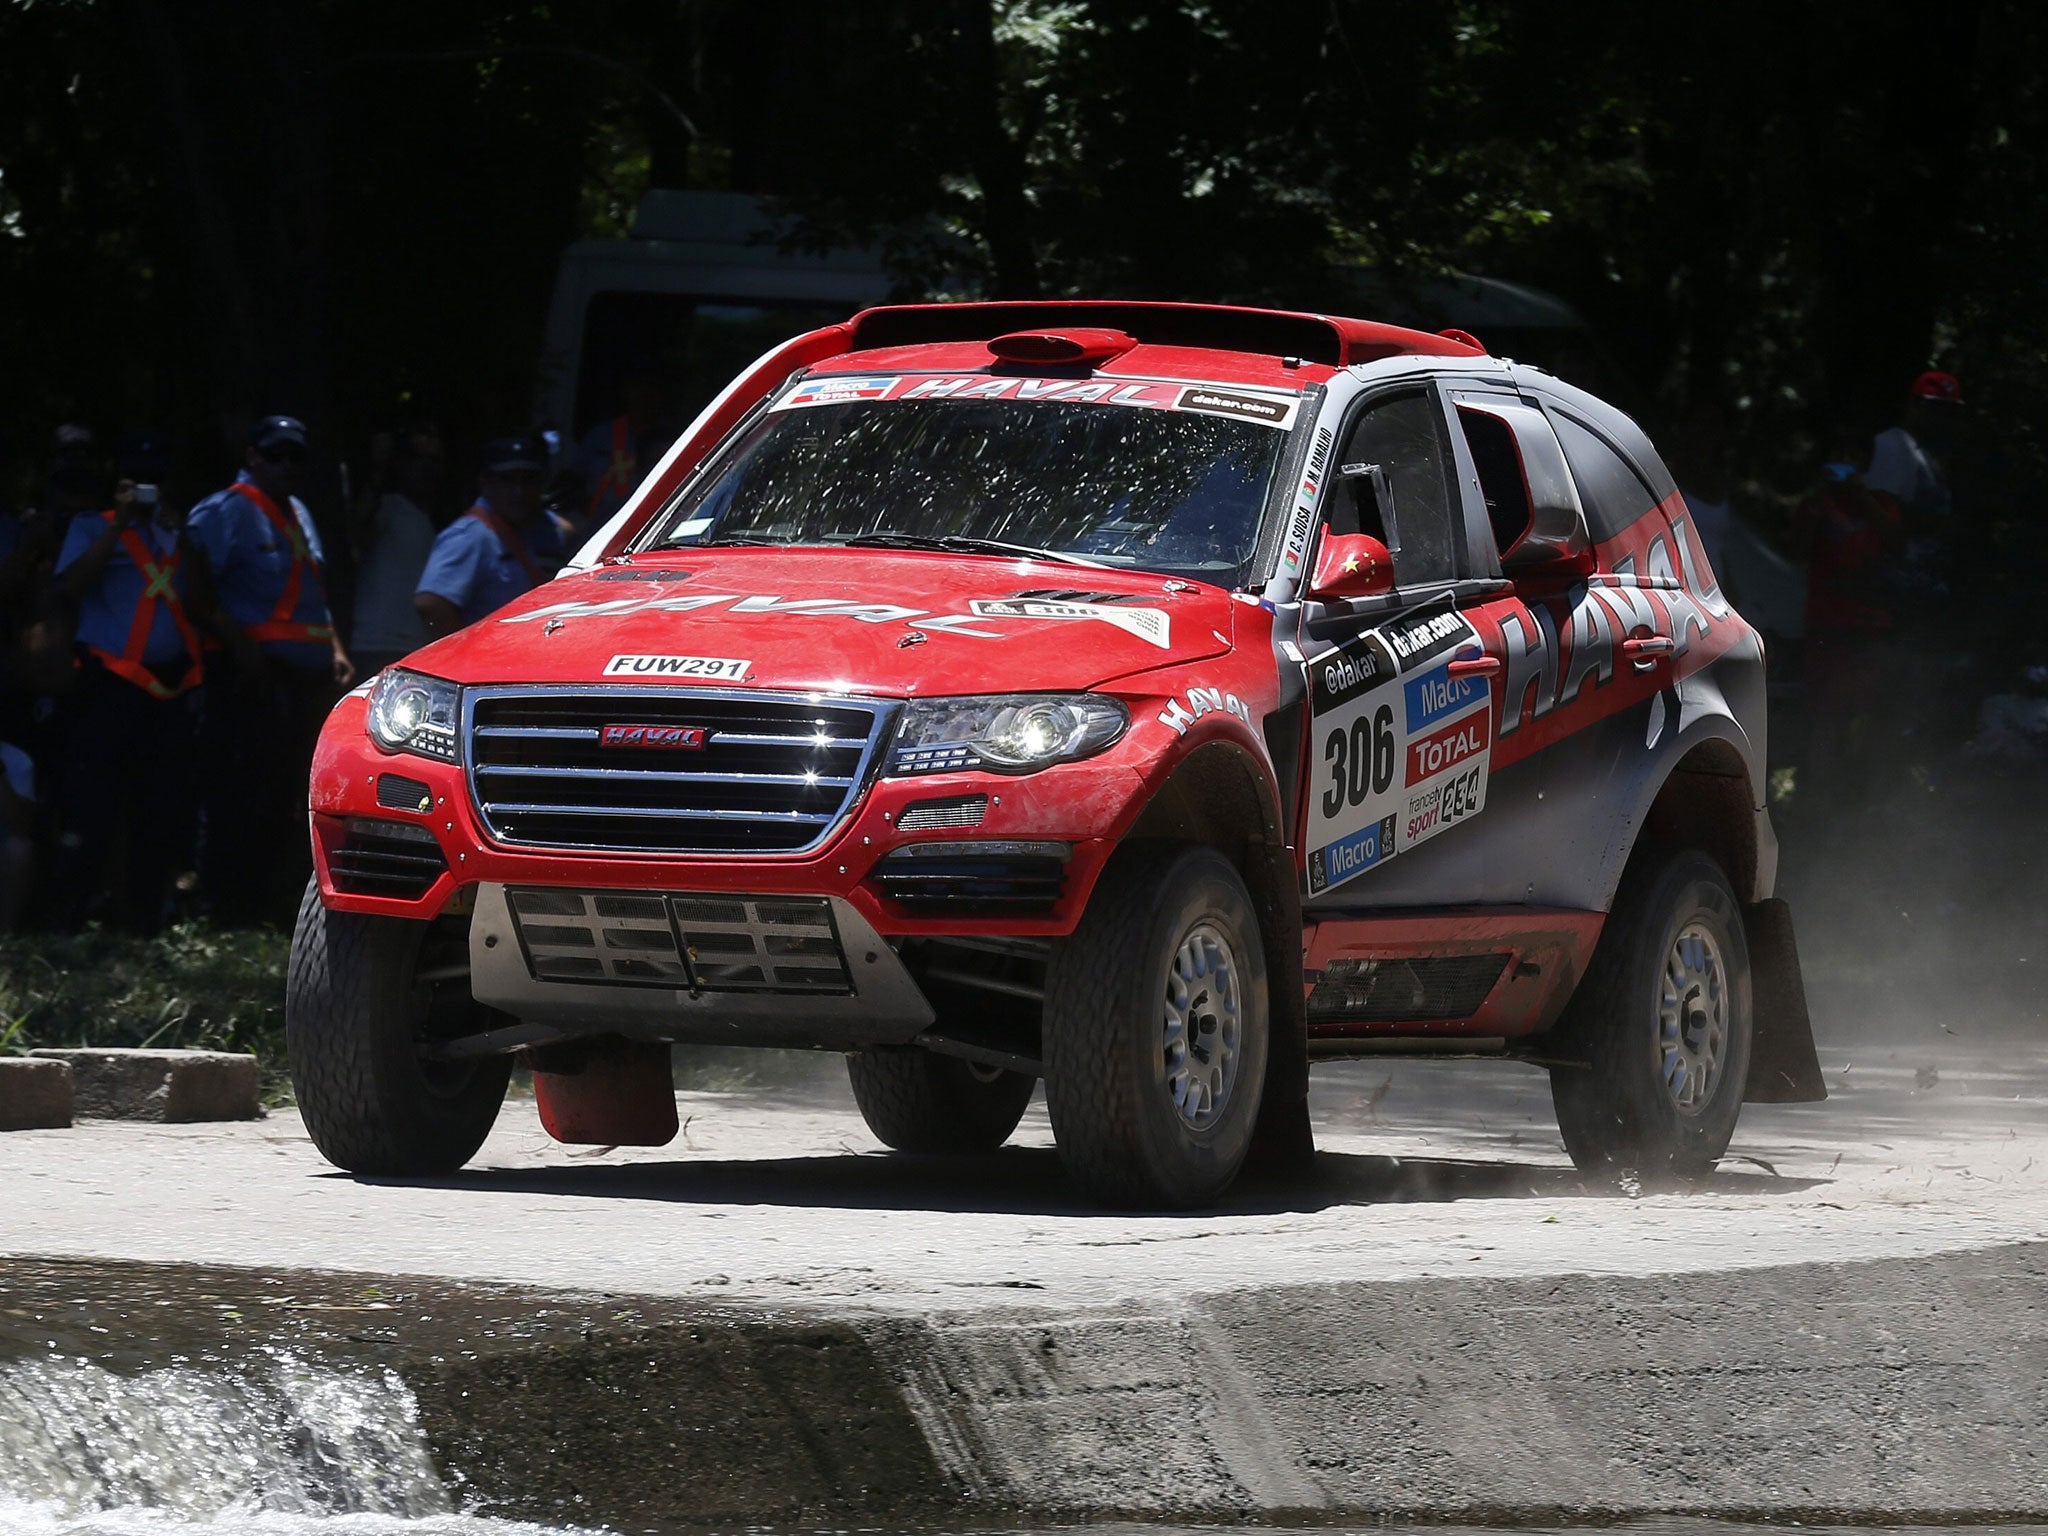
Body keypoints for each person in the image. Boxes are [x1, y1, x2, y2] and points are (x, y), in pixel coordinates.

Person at [185, 415, 354, 925]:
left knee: (288, 792)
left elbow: (312, 593)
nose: (286, 466)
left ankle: (271, 903)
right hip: (251, 677)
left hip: (304, 682)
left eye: (295, 456)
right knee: (238, 791)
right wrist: (239, 645)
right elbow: (192, 587)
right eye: (275, 455)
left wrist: (336, 648)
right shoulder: (225, 511)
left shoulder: (298, 511)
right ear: (253, 456)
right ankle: (224, 904)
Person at [50, 437, 202, 931]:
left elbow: (197, 594)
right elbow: (69, 587)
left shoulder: (173, 531)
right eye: (136, 480)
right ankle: (78, 911)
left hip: (166, 689)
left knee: (159, 802)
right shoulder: (92, 525)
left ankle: (142, 915)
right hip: (108, 685)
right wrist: (117, 522)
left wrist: (180, 533)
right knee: (94, 800)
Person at [414, 434, 565, 638]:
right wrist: (464, 651)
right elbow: (431, 602)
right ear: (485, 482)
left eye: (528, 480)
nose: (518, 491)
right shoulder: (471, 534)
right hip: (491, 655)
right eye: (507, 480)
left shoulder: (547, 527)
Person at [348, 422, 446, 677]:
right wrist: (377, 470)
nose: (425, 468)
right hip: (377, 644)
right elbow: (356, 533)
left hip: (417, 646)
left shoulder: (435, 520)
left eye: (433, 460)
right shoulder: (385, 507)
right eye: (416, 459)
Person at [578, 370, 672, 529]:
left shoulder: (670, 441)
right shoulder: (601, 436)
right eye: (638, 389)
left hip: (648, 526)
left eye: (649, 391)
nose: (643, 397)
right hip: (598, 524)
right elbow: (576, 477)